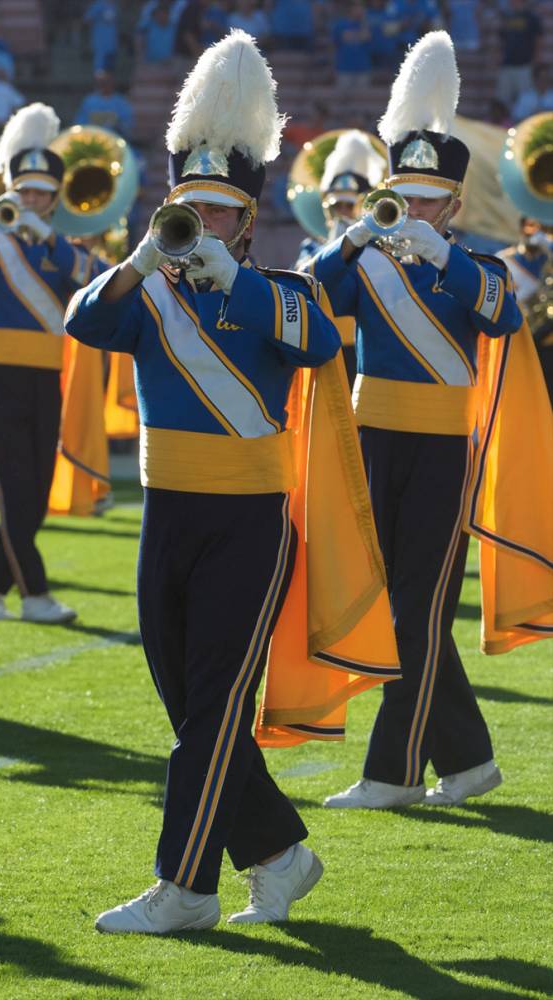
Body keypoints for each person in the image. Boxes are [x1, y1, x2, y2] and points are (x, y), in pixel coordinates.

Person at [65, 30, 339, 934]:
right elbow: (81, 323)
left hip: (250, 523)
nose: (203, 223)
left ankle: (185, 888)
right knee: (194, 710)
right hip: (166, 516)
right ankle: (280, 856)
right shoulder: (145, 295)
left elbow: (322, 340)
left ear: (249, 219)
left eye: (219, 211)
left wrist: (239, 284)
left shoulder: (282, 291)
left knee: (214, 706)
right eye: (189, 207)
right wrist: (144, 257)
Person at [308, 32, 524, 810]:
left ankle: (392, 772)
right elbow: (308, 299)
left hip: (440, 450)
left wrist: (444, 254)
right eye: (404, 192)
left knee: (418, 608)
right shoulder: (364, 260)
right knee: (400, 605)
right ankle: (466, 762)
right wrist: (357, 233)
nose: (416, 206)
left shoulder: (476, 267)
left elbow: (501, 317)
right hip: (371, 444)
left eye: (430, 197)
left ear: (455, 205)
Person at [0, 103, 105, 624]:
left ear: (54, 199)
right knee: (16, 490)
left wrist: (51, 237)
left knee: (33, 493)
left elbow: (98, 280)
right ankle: (34, 595)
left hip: (45, 376)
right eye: (24, 191)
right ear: (12, 191)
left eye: (40, 194)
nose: (31, 201)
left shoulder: (60, 247)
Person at [295, 129, 387, 383]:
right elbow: (302, 279)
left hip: (360, 342)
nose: (341, 212)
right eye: (336, 206)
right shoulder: (311, 246)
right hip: (323, 339)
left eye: (348, 205)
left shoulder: (371, 248)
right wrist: (335, 248)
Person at [497, 216, 553, 404]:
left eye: (543, 228)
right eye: (531, 226)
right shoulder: (503, 260)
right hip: (514, 345)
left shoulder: (549, 260)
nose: (536, 232)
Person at [73, 70, 134, 138]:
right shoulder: (89, 101)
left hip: (114, 139)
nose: (103, 85)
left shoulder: (121, 102)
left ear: (112, 82)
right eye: (100, 82)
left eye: (106, 82)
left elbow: (128, 125)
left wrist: (116, 123)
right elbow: (80, 123)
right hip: (92, 139)